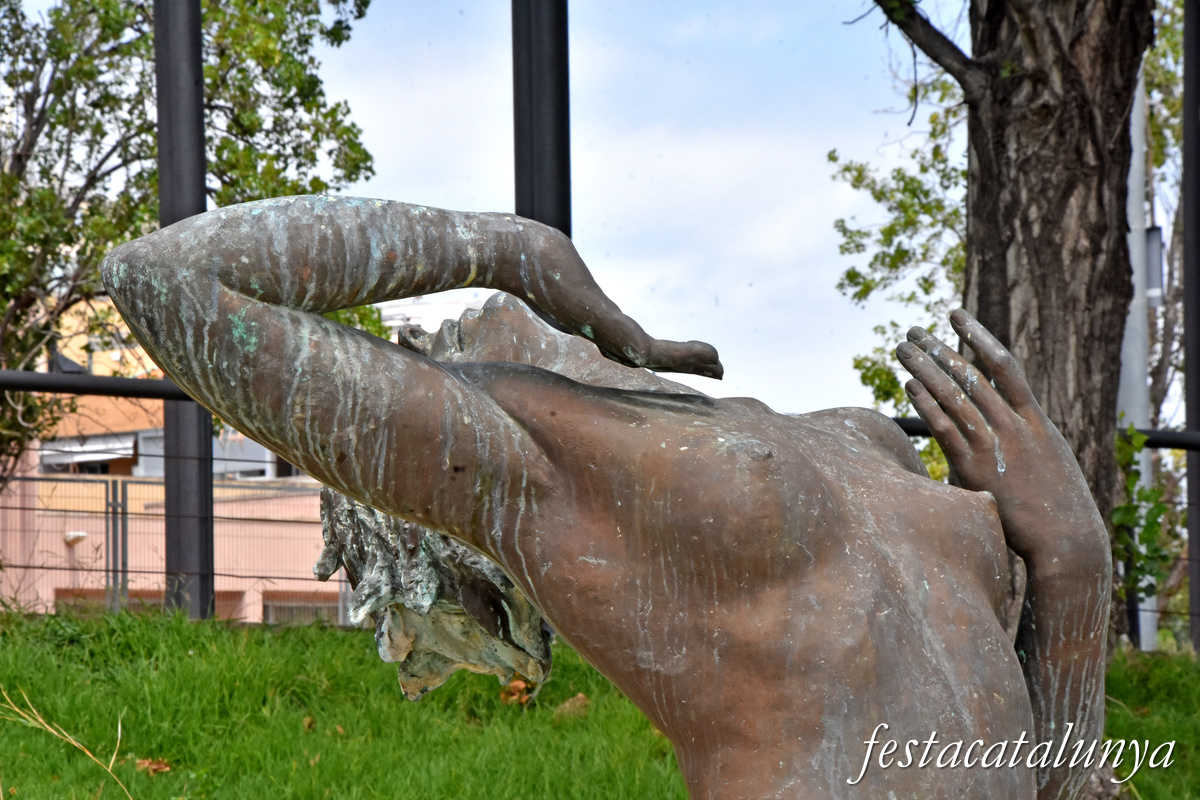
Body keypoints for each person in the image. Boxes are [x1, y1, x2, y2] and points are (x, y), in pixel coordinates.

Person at [101, 196, 1109, 800]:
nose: (477, 320)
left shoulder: (836, 439)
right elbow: (165, 280)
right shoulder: (545, 467)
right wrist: (497, 242)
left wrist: (1073, 573)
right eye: (436, 355)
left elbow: (1060, 781)